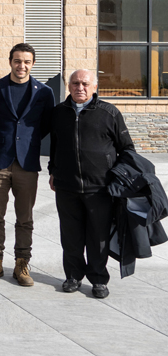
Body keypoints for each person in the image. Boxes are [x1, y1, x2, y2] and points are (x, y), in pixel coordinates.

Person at [49, 69, 134, 299]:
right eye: (75, 83)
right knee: (71, 235)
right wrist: (53, 172)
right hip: (67, 187)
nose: (80, 88)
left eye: (85, 84)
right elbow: (54, 147)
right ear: (68, 86)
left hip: (100, 189)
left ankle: (98, 279)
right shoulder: (58, 113)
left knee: (98, 237)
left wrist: (118, 178)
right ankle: (73, 276)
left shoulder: (109, 113)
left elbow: (127, 149)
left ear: (95, 87)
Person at [0, 43, 54, 286]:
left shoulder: (44, 93)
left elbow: (45, 126)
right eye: (17, 61)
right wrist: (2, 142)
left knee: (25, 218)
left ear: (32, 64)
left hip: (27, 163)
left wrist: (26, 144)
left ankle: (22, 264)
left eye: (27, 62)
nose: (21, 66)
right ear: (10, 61)